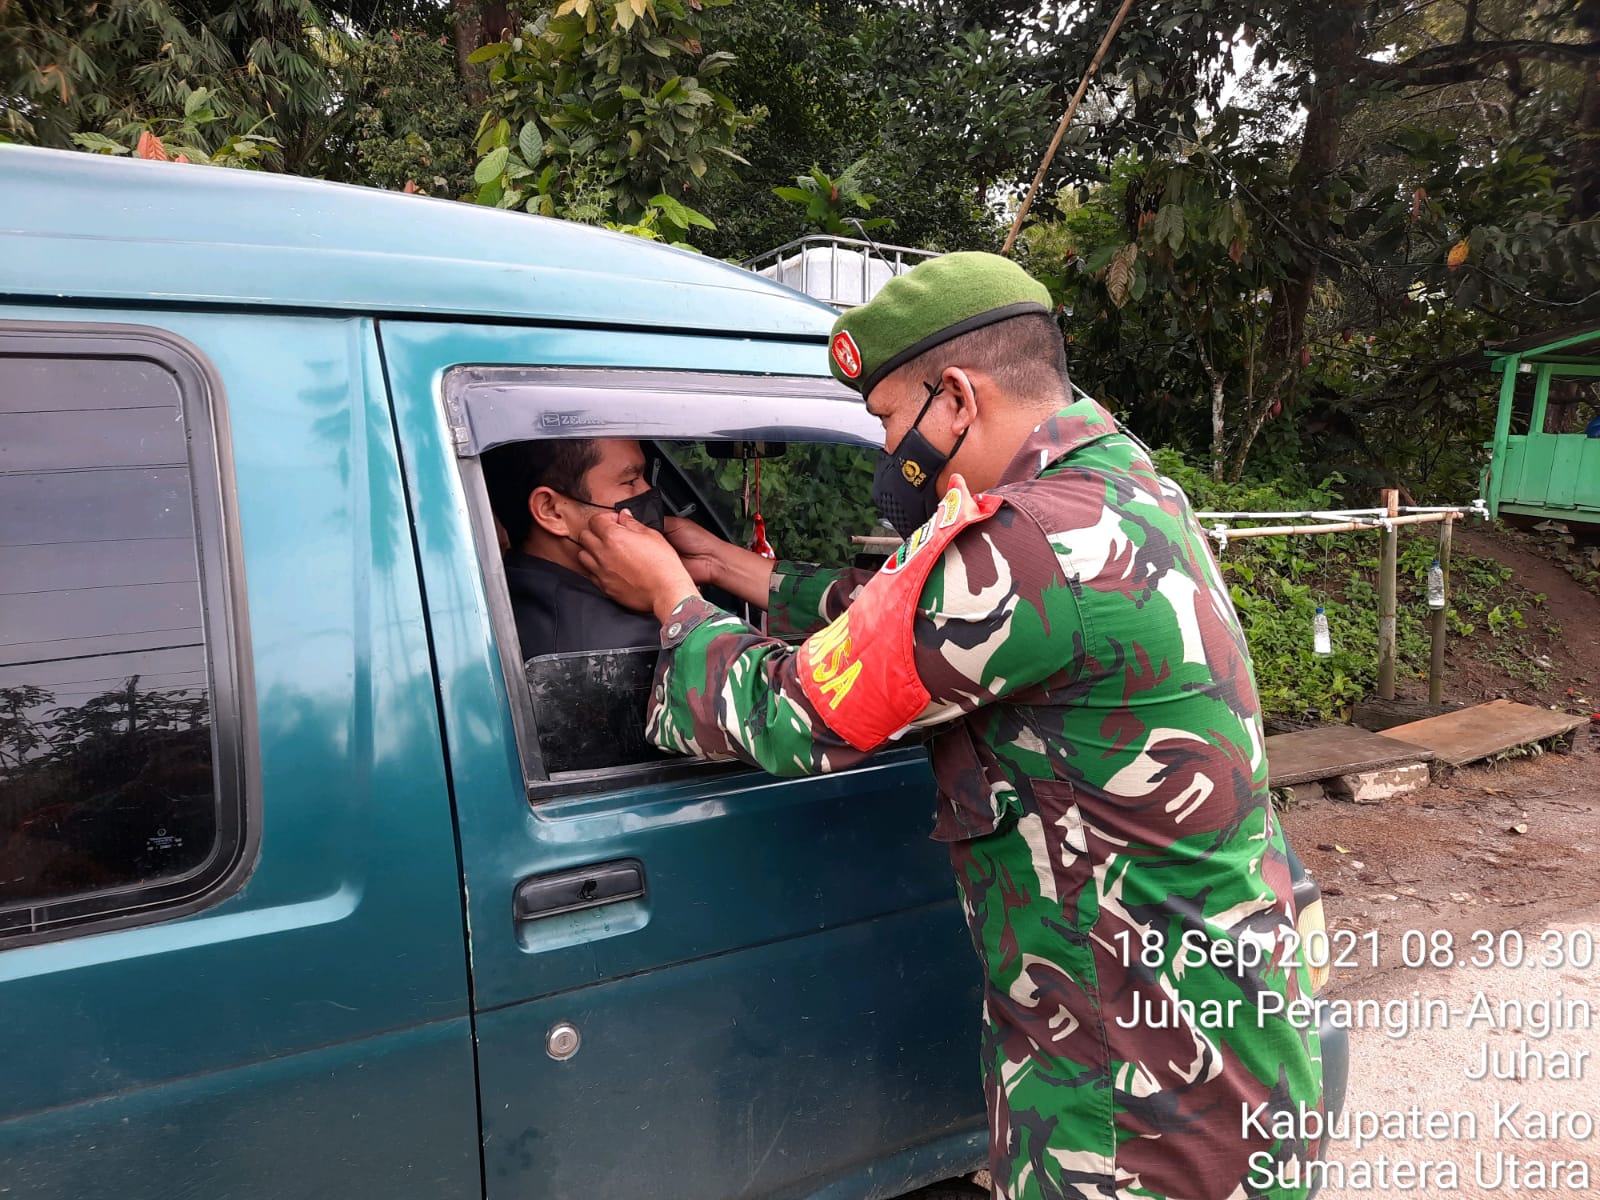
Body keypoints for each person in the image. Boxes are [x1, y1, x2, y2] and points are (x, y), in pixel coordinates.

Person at [576, 253, 1324, 1200]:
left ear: (957, 400)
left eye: (890, 420)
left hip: (1130, 1097)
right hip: (1211, 1041)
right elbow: (913, 621)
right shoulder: (1118, 491)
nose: (892, 453)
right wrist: (738, 570)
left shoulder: (1026, 546)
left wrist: (674, 603)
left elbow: (794, 714)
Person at [482, 437, 666, 660]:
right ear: (552, 511)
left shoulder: (503, 588)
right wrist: (672, 589)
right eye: (630, 481)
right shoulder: (624, 646)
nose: (648, 492)